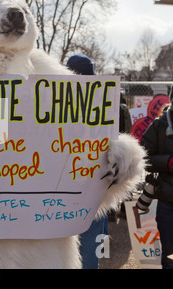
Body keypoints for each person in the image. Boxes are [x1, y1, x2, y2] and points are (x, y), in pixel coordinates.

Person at [66, 54, 108, 269]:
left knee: (89, 257)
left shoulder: (105, 109)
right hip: (65, 195)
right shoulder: (54, 109)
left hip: (92, 193)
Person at [140, 77, 173, 269]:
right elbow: (143, 159)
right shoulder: (158, 126)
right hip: (169, 205)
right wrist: (170, 162)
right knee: (172, 259)